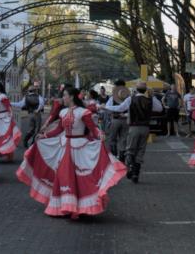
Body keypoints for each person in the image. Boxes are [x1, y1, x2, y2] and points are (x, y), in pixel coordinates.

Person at [16, 87, 127, 218]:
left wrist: (100, 134)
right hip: (64, 146)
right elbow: (59, 130)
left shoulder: (83, 112)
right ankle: (65, 205)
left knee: (79, 178)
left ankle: (76, 206)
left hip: (79, 147)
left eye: (65, 95)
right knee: (63, 176)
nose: (63, 98)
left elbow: (93, 128)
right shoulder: (63, 112)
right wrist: (44, 136)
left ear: (72, 97)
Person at [102, 82, 153, 183]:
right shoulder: (150, 99)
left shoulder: (131, 99)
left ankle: (130, 167)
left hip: (134, 126)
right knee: (141, 150)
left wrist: (105, 107)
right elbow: (159, 108)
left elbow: (120, 108)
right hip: (146, 128)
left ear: (136, 89)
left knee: (130, 148)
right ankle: (136, 173)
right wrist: (152, 96)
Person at [106, 79, 130, 160]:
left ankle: (114, 156)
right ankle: (122, 157)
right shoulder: (129, 97)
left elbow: (107, 107)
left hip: (115, 119)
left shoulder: (113, 97)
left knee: (112, 138)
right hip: (126, 120)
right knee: (123, 139)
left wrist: (112, 111)